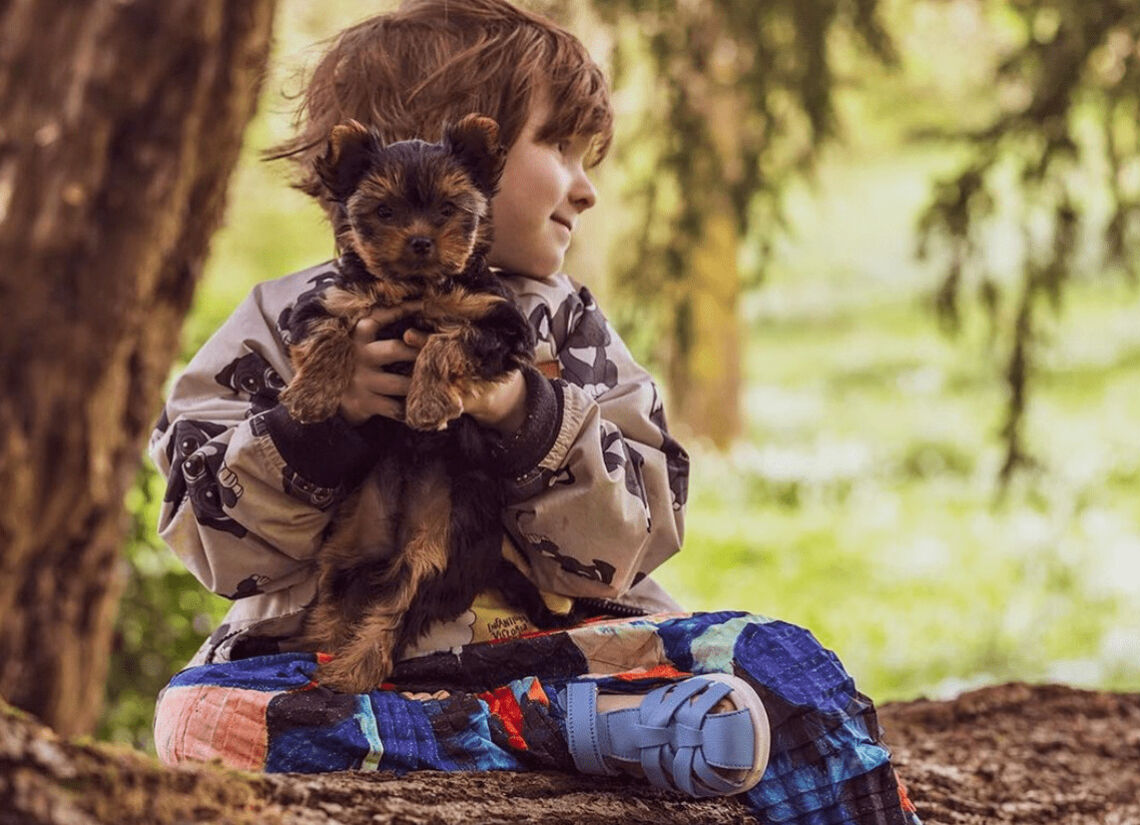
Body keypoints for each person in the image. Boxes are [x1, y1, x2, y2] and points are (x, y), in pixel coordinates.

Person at [150, 2, 920, 822]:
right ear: (440, 153)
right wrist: (318, 429)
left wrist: (525, 409)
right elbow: (208, 534)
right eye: (559, 147)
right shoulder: (280, 322)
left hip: (566, 648)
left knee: (777, 662)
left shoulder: (569, 325)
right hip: (336, 656)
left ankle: (565, 722)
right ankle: (567, 735)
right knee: (201, 717)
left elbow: (642, 526)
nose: (586, 189)